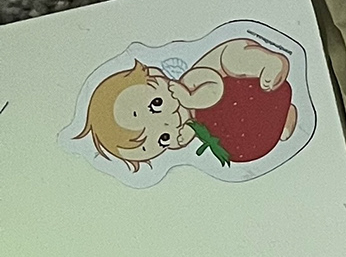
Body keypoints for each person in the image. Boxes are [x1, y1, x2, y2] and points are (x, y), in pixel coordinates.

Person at [80, 35, 296, 170]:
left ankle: (268, 63)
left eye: (156, 104)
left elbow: (215, 88)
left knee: (232, 57)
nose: (169, 122)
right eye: (163, 139)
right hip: (251, 108)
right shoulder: (200, 124)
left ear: (156, 75)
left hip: (240, 75)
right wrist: (186, 134)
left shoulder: (190, 83)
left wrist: (190, 99)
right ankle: (283, 118)